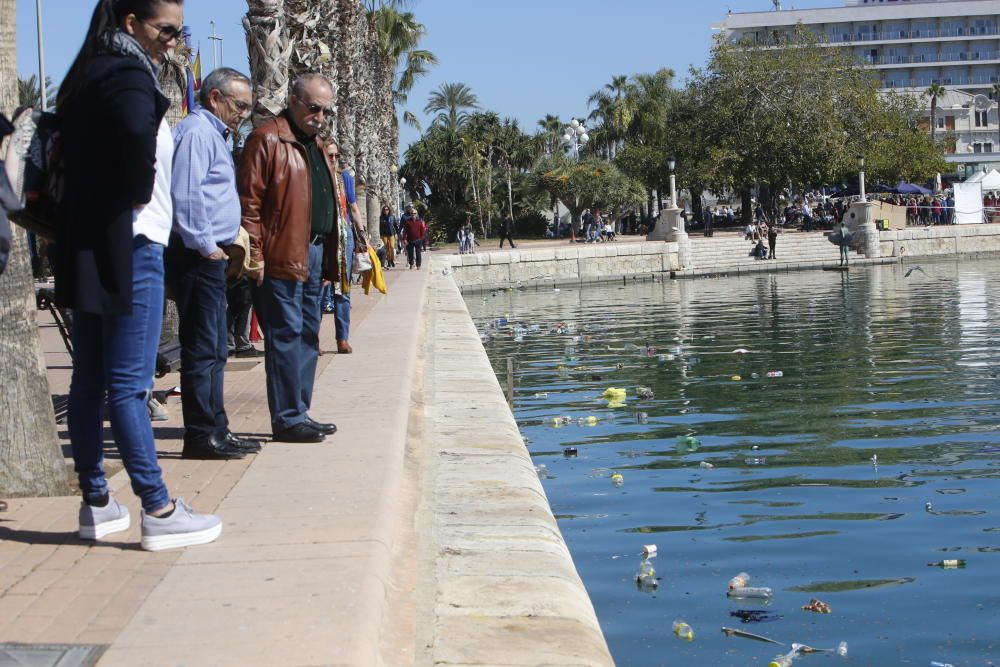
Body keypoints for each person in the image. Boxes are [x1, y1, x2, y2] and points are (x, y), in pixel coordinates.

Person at [56, 0, 221, 550]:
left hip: (86, 243)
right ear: (131, 23)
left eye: (180, 31)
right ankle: (159, 508)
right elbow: (134, 142)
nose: (174, 41)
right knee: (130, 385)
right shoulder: (129, 72)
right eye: (166, 30)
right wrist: (134, 190)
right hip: (135, 243)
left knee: (89, 381)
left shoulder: (84, 75)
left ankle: (97, 502)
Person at [238, 73, 339, 443]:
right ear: (294, 101)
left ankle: (300, 410)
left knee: (309, 334)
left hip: (313, 252)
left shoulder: (316, 144)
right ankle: (287, 418)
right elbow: (249, 204)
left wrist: (329, 259)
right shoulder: (267, 139)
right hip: (280, 255)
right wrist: (256, 254)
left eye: (326, 110)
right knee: (285, 333)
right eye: (314, 108)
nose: (320, 116)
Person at [167, 67, 258, 460]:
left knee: (217, 348)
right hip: (198, 256)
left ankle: (218, 428)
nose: (242, 113)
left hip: (214, 255)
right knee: (203, 347)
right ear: (215, 98)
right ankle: (202, 434)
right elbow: (186, 195)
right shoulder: (197, 132)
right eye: (239, 105)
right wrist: (206, 246)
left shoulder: (215, 135)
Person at [327, 140, 368, 355]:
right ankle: (312, 341)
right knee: (318, 289)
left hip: (344, 238)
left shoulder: (345, 179)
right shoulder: (316, 177)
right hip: (323, 238)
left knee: (343, 288)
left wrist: (362, 236)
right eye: (329, 155)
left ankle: (342, 338)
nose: (333, 160)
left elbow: (353, 208)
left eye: (336, 156)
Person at [400, 204, 427, 269]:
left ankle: (418, 265)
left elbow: (422, 230)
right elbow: (404, 231)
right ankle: (411, 264)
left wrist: (421, 238)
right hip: (409, 240)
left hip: (418, 240)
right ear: (410, 214)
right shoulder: (407, 222)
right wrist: (404, 239)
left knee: (418, 253)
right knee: (410, 253)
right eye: (412, 213)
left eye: (414, 213)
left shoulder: (419, 221)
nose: (413, 214)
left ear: (416, 214)